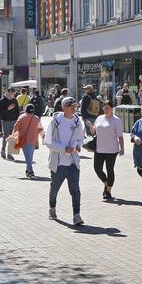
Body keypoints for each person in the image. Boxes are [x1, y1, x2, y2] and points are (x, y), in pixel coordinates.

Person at [47, 96, 84, 225]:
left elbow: (80, 138)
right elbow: (47, 142)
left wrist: (78, 145)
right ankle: (52, 208)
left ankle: (77, 215)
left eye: (74, 105)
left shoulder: (77, 121)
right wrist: (63, 149)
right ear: (63, 107)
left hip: (73, 162)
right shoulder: (56, 121)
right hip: (59, 163)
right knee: (54, 189)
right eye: (70, 106)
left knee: (75, 190)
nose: (73, 108)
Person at [92, 103, 125, 202]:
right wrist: (91, 127)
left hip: (111, 150)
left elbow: (120, 136)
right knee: (97, 168)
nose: (105, 110)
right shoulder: (99, 118)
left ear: (112, 109)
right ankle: (106, 183)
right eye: (104, 108)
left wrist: (122, 148)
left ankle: (108, 191)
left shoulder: (116, 120)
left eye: (108, 108)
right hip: (99, 149)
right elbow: (94, 130)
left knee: (109, 169)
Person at [13, 103, 44, 179]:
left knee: (28, 157)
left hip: (24, 139)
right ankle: (28, 171)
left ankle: (30, 172)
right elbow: (40, 129)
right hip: (33, 140)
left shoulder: (22, 117)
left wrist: (14, 136)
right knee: (29, 156)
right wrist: (43, 138)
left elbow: (16, 127)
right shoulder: (36, 118)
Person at [0, 87, 20, 160]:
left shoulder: (15, 100)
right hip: (5, 121)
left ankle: (10, 154)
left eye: (13, 94)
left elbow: (18, 111)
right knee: (6, 136)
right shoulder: (2, 100)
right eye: (11, 93)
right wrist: (8, 109)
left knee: (12, 137)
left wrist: (17, 121)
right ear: (8, 92)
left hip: (13, 121)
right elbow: (0, 112)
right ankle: (3, 151)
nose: (12, 95)